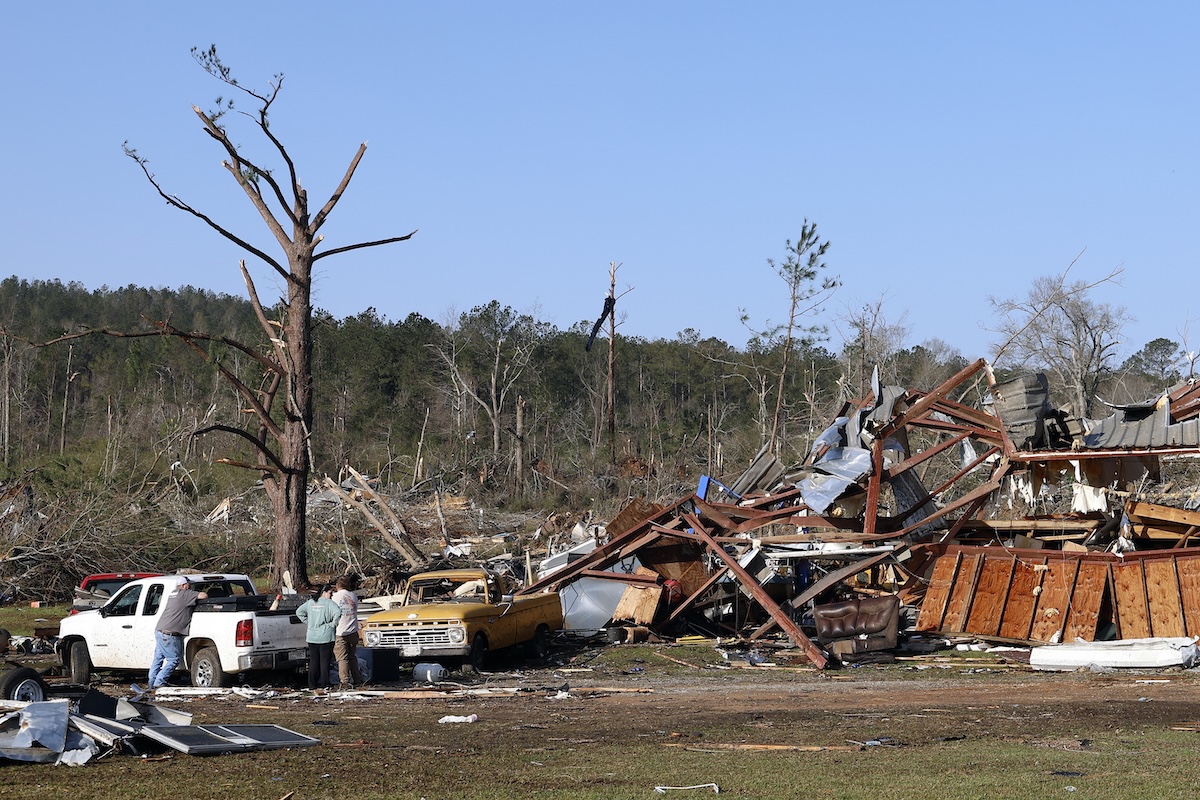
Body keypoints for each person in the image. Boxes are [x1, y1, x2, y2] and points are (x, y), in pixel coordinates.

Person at [147, 576, 208, 691]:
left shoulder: (173, 594)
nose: (190, 586)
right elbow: (204, 596)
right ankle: (159, 683)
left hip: (160, 631)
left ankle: (151, 683)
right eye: (188, 585)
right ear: (184, 585)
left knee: (158, 659)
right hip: (169, 634)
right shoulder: (184, 594)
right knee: (173, 660)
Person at [296, 584, 340, 691]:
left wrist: (308, 622)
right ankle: (325, 683)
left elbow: (299, 612)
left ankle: (312, 684)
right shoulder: (330, 604)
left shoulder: (311, 603)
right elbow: (338, 613)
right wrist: (332, 624)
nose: (331, 595)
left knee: (314, 660)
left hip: (312, 637)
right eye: (330, 593)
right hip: (326, 636)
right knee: (325, 661)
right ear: (324, 592)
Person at [331, 574, 364, 689]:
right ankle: (357, 679)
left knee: (342, 658)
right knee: (352, 656)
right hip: (353, 630)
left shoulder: (335, 597)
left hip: (341, 631)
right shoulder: (353, 596)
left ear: (337, 585)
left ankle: (344, 681)